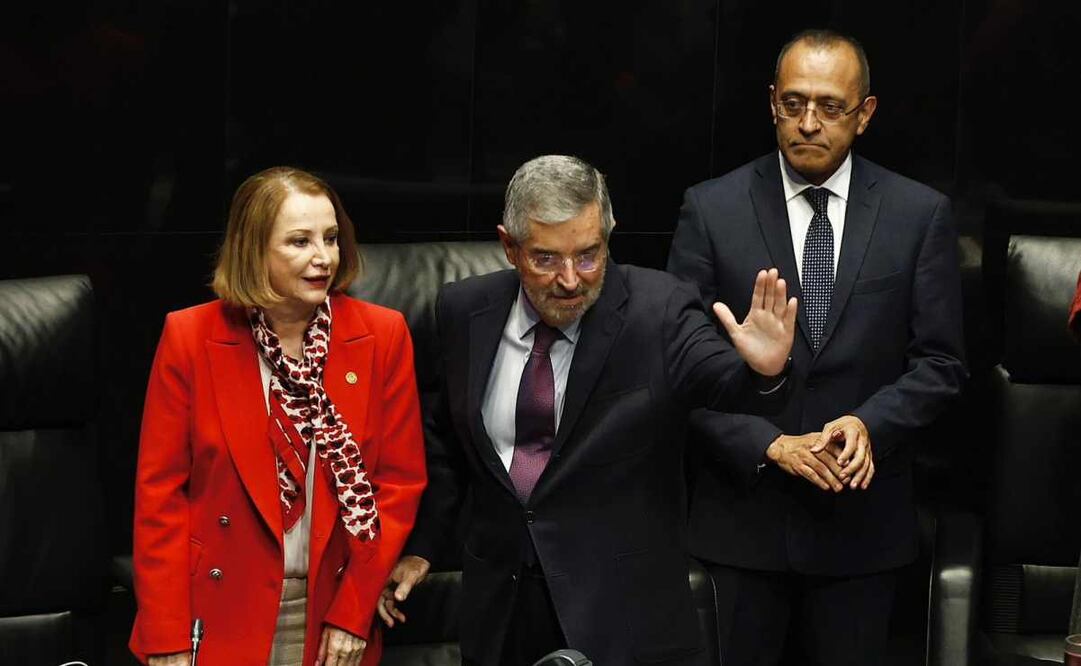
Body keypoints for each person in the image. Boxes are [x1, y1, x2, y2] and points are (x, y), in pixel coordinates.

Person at [377, 155, 798, 666]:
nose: (571, 280)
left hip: (622, 617)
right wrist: (422, 547)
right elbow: (445, 443)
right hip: (502, 613)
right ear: (509, 246)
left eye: (589, 255)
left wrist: (763, 371)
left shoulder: (659, 309)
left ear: (609, 233)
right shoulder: (464, 310)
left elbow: (721, 382)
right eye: (546, 259)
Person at [667, 29, 967, 665]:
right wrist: (768, 444)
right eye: (793, 103)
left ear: (865, 114)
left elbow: (941, 364)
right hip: (743, 525)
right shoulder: (712, 210)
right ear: (772, 102)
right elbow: (677, 366)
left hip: (862, 528)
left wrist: (868, 423)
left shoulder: (920, 214)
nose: (808, 123)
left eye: (831, 107)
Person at [129, 167, 427, 666]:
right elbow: (159, 497)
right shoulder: (189, 337)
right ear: (254, 250)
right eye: (299, 241)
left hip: (331, 607)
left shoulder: (382, 336)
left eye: (331, 239)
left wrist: (353, 613)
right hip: (217, 609)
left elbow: (396, 486)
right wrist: (166, 636)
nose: (322, 258)